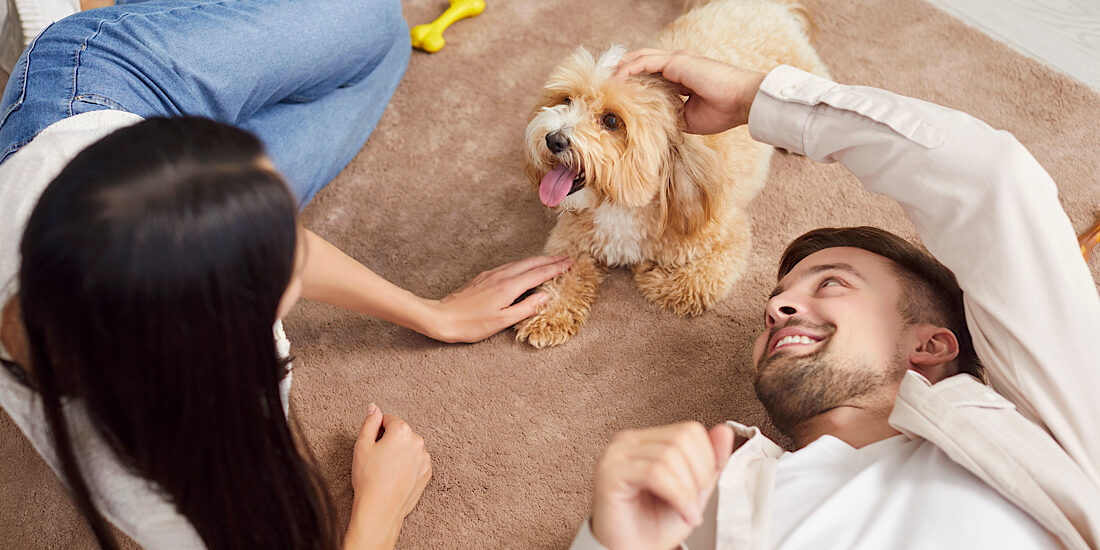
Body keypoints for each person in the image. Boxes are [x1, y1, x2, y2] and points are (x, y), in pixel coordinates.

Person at [0, 0, 567, 548]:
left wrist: (434, 314)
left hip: (100, 83)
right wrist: (380, 511)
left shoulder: (152, 287)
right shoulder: (186, 498)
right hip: (121, 159)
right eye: (280, 257)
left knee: (380, 24)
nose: (298, 244)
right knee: (385, 36)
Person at [568, 49, 1100, 549]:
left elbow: (991, 182)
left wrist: (755, 98)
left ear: (931, 346)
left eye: (830, 284)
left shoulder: (1043, 430)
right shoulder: (704, 504)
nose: (776, 310)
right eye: (776, 303)